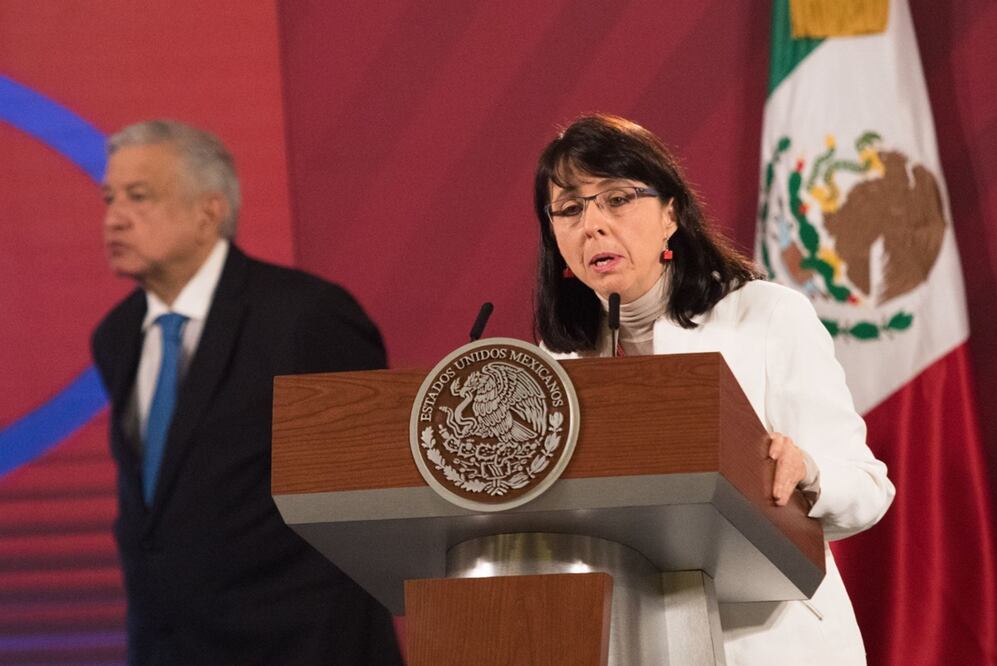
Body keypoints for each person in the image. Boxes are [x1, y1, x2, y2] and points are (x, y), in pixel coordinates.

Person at [532, 114, 895, 665]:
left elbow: (867, 488)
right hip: (626, 642)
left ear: (671, 214)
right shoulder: (553, 366)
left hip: (773, 645)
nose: (593, 225)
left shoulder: (767, 316)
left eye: (617, 199)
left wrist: (808, 472)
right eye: (570, 209)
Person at [91, 119, 403, 665]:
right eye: (110, 198)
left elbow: (366, 509)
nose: (114, 218)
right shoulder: (116, 336)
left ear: (208, 212)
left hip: (300, 647)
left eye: (138, 197)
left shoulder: (306, 317)